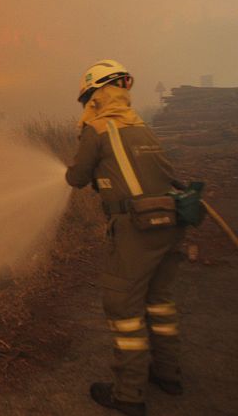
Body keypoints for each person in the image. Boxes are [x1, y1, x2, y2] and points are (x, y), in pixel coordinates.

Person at [66, 60, 185, 416]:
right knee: (159, 301)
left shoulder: (98, 130)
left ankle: (129, 394)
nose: (88, 104)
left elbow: (76, 177)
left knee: (124, 310)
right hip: (171, 222)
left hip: (137, 228)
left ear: (98, 94)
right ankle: (169, 376)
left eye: (89, 97)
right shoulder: (141, 128)